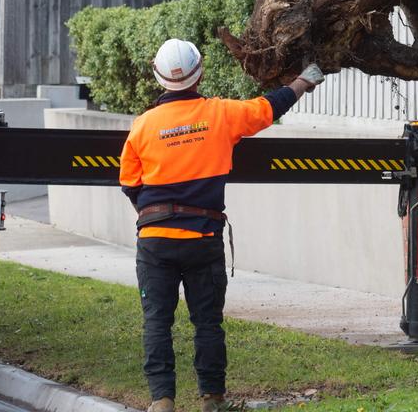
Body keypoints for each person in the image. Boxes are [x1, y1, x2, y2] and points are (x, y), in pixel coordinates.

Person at [119, 38, 323, 412]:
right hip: (203, 238)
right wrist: (302, 82)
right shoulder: (220, 114)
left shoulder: (142, 126)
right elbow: (267, 108)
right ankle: (212, 400)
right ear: (199, 73)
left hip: (155, 241)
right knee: (207, 323)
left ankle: (162, 401)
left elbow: (130, 186)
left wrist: (158, 215)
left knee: (157, 323)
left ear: (158, 76)